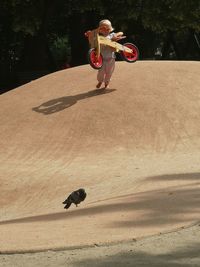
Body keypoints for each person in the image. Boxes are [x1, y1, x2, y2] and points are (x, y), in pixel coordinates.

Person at [85, 19, 126, 89]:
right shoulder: (98, 38)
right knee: (100, 73)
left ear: (110, 29)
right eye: (103, 29)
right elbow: (92, 43)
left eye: (108, 29)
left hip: (111, 59)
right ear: (100, 30)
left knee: (109, 72)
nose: (106, 31)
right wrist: (90, 35)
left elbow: (121, 33)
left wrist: (115, 37)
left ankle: (107, 83)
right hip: (102, 60)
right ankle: (100, 81)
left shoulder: (111, 35)